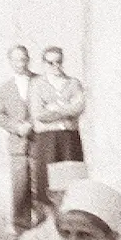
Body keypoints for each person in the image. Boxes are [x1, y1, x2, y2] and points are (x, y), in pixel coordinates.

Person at [0, 45, 39, 233]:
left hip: (38, 142)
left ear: (28, 59)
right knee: (20, 189)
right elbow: (0, 115)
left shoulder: (40, 81)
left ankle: (43, 230)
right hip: (17, 145)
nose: (20, 63)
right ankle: (21, 230)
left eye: (23, 59)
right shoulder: (5, 88)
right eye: (16, 60)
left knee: (40, 188)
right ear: (10, 62)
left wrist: (32, 124)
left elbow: (46, 106)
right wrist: (16, 127)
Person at [31, 47, 86, 193]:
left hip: (69, 138)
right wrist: (66, 109)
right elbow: (39, 114)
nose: (55, 66)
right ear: (43, 64)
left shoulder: (74, 83)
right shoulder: (37, 85)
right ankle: (50, 215)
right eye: (50, 63)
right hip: (47, 139)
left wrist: (54, 108)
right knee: (47, 184)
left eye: (59, 62)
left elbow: (79, 108)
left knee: (71, 182)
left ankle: (68, 215)